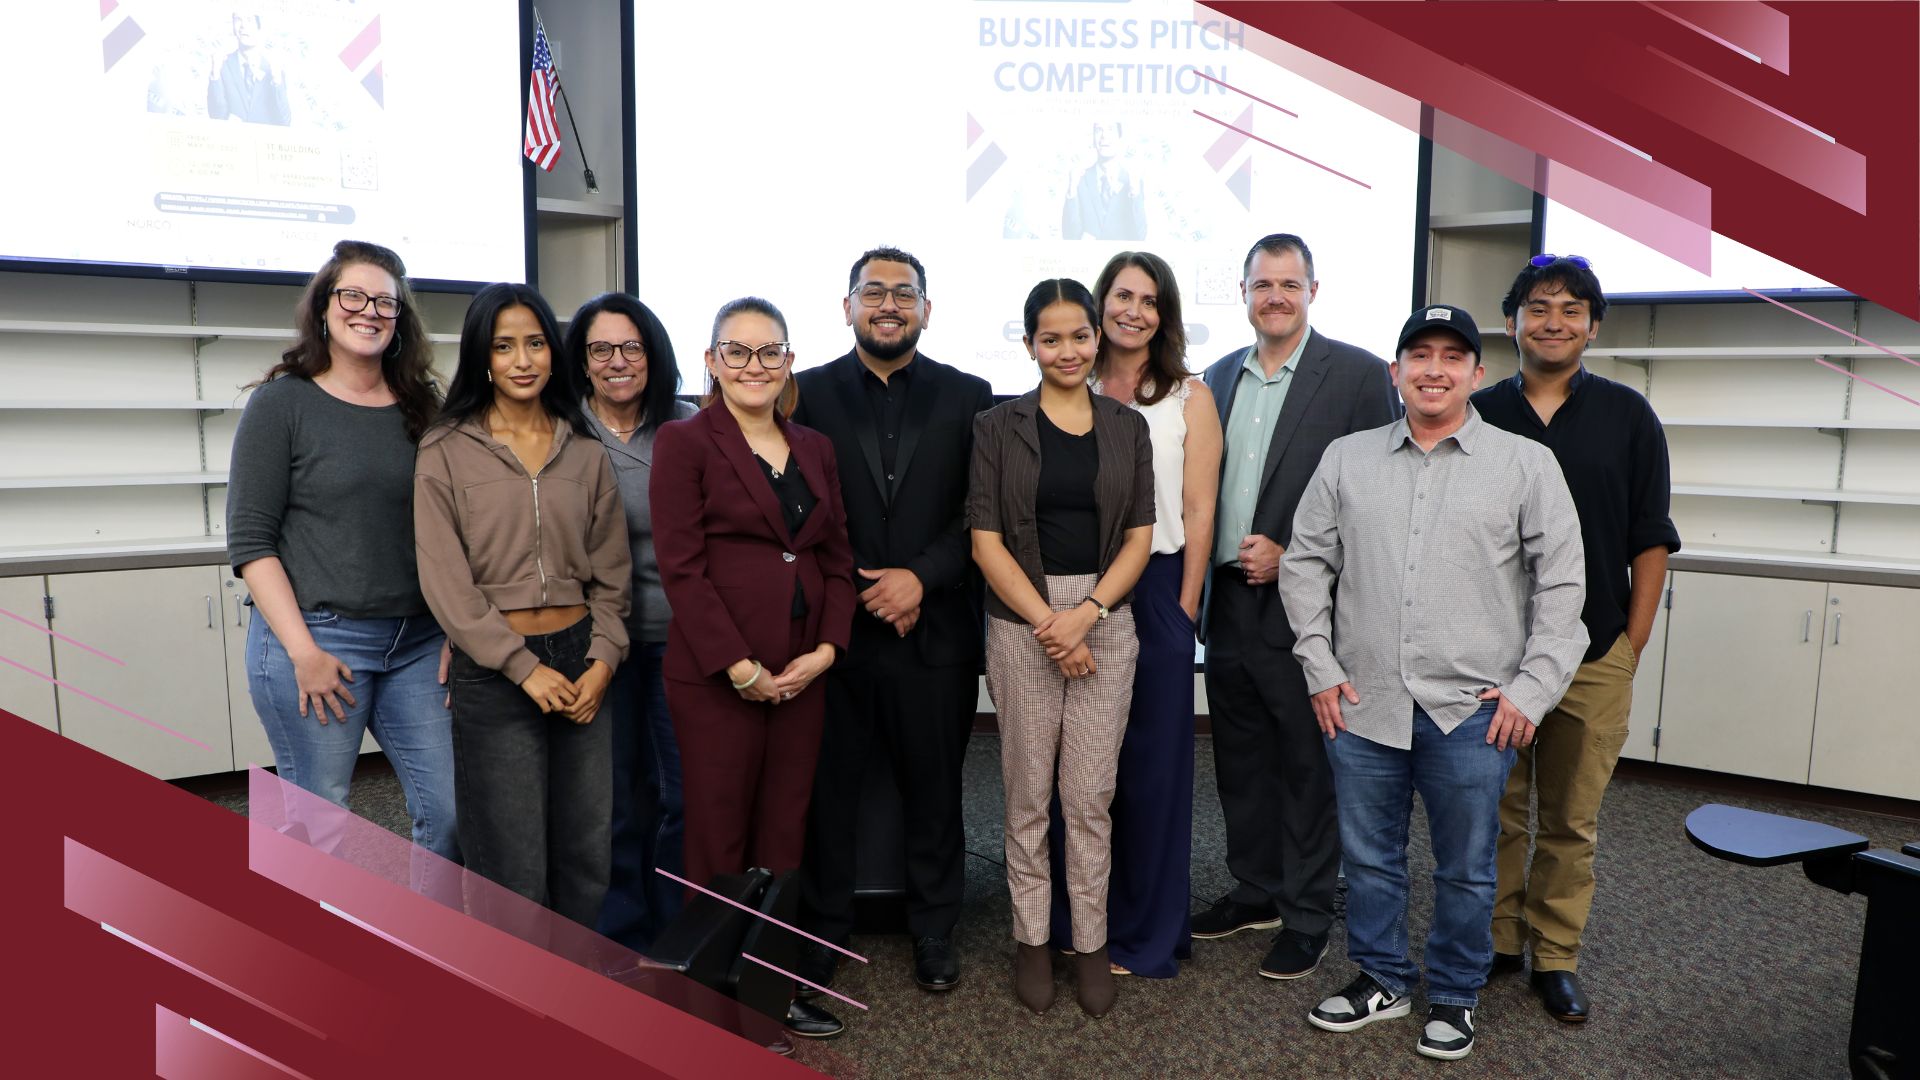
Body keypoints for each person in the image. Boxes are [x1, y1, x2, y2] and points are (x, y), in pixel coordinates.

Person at [1280, 304, 1588, 1061]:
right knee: (1371, 859)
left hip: (1473, 713)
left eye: (1454, 357)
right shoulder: (1348, 458)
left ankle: (1453, 992)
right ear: (1397, 371)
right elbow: (1304, 565)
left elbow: (1564, 587)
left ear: (1477, 376)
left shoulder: (1525, 465)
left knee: (1466, 869)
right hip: (1363, 702)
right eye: (1420, 355)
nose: (1435, 369)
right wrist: (1319, 666)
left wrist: (1529, 691)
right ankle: (1383, 976)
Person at [1474, 256, 1681, 1023]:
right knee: (1494, 809)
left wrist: (1631, 644)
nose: (1552, 320)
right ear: (1511, 323)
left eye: (1569, 308)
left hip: (1594, 654)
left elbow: (1649, 540)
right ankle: (1496, 941)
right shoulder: (1480, 411)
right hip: (1493, 655)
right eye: (1537, 307)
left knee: (1570, 817)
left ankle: (1554, 955)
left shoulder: (1629, 417)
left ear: (1592, 326)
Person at [1192, 233, 1400, 982]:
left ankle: (1309, 911)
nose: (1274, 295)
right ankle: (1257, 889)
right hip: (1227, 609)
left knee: (1308, 766)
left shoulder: (1352, 375)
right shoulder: (1215, 377)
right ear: (1243, 292)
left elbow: (1381, 499)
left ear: (1314, 289)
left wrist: (1297, 554)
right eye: (1261, 284)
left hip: (1308, 611)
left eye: (1289, 283)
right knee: (1241, 759)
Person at [790, 248, 995, 997]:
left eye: (903, 293)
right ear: (846, 307)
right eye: (871, 291)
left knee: (936, 789)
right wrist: (859, 587)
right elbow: (796, 513)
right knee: (828, 790)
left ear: (926, 310)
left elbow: (979, 511)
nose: (887, 303)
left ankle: (936, 928)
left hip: (933, 630)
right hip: (835, 637)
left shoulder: (969, 395)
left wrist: (919, 578)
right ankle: (821, 931)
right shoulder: (802, 395)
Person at [650, 297, 855, 1042]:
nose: (754, 366)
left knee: (782, 838)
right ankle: (707, 999)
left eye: (770, 352)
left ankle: (770, 986)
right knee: (717, 837)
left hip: (804, 674)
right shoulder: (686, 441)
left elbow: (833, 558)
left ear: (790, 362)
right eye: (737, 351)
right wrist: (739, 667)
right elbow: (682, 567)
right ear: (710, 362)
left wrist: (827, 650)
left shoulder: (815, 447)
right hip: (716, 680)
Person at [227, 239, 457, 863]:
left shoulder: (424, 408)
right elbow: (251, 541)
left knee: (452, 812)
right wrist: (302, 652)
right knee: (319, 823)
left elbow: (452, 530)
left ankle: (429, 951)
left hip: (418, 641)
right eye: (352, 295)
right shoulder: (282, 404)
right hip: (319, 639)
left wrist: (456, 630)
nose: (369, 311)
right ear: (324, 308)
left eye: (385, 301)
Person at [413, 283, 631, 928]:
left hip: (582, 658)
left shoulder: (585, 452)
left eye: (535, 343)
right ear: (483, 356)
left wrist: (605, 660)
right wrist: (519, 665)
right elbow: (445, 580)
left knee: (585, 852)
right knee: (513, 864)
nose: (522, 359)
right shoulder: (446, 450)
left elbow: (613, 576)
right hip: (497, 671)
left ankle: (576, 998)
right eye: (504, 345)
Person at [969, 278, 1154, 1017]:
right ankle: (1032, 940)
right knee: (1025, 796)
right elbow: (984, 542)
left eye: (1080, 335)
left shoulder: (1125, 426)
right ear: (1029, 346)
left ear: (1097, 339)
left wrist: (1089, 615)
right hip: (1022, 622)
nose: (1068, 350)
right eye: (1051, 338)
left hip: (1107, 617)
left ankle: (1091, 943)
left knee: (1088, 798)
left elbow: (1140, 536)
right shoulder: (996, 426)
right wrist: (1054, 623)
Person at [1045, 251, 1220, 979]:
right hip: (1077, 590)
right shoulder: (1069, 383)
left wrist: (1181, 609)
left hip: (1158, 589)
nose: (1133, 311)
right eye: (1122, 295)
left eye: (1150, 300)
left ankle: (1145, 936)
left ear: (1165, 312)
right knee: (1079, 771)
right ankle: (1075, 924)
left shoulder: (1189, 397)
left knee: (1149, 774)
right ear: (1100, 301)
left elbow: (1201, 508)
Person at [563, 293, 697, 952]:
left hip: (682, 641)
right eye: (600, 349)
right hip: (597, 648)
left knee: (681, 795)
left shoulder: (687, 426)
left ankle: (676, 933)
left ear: (652, 354)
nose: (618, 362)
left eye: (631, 347)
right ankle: (619, 931)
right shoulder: (562, 432)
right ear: (582, 363)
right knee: (610, 798)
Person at [1062, 121, 1146, 241]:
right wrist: (1072, 191)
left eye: (1110, 129)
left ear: (1120, 138)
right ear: (1093, 139)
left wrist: (1135, 192)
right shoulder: (1079, 179)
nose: (1104, 136)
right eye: (1098, 130)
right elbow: (1069, 236)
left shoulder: (1133, 180)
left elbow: (1140, 236)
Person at [207, 12, 291, 125]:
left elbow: (284, 122)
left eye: (249, 19)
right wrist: (215, 74)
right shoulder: (222, 65)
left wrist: (277, 79)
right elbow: (216, 117)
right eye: (238, 19)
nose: (243, 26)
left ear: (259, 26)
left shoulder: (273, 67)